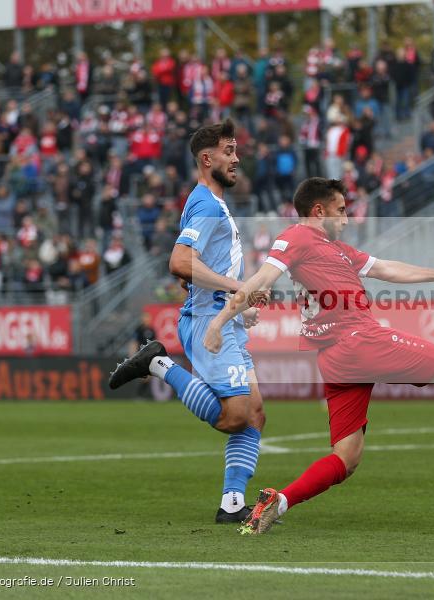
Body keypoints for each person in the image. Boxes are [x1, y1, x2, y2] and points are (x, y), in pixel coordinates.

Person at [200, 178, 434, 534]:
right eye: (341, 211)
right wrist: (218, 323)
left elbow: (385, 269)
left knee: (347, 457)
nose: (346, 219)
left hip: (336, 356)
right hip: (358, 339)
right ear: (318, 211)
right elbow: (259, 282)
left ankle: (279, 502)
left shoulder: (338, 249)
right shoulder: (296, 237)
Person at [109, 120, 267, 525]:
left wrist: (238, 302)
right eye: (229, 151)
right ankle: (157, 363)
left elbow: (193, 268)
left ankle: (232, 505)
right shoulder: (206, 203)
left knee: (255, 413)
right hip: (206, 324)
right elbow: (179, 262)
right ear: (206, 158)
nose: (236, 158)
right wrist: (239, 286)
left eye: (236, 150)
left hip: (222, 318)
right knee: (235, 416)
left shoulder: (214, 203)